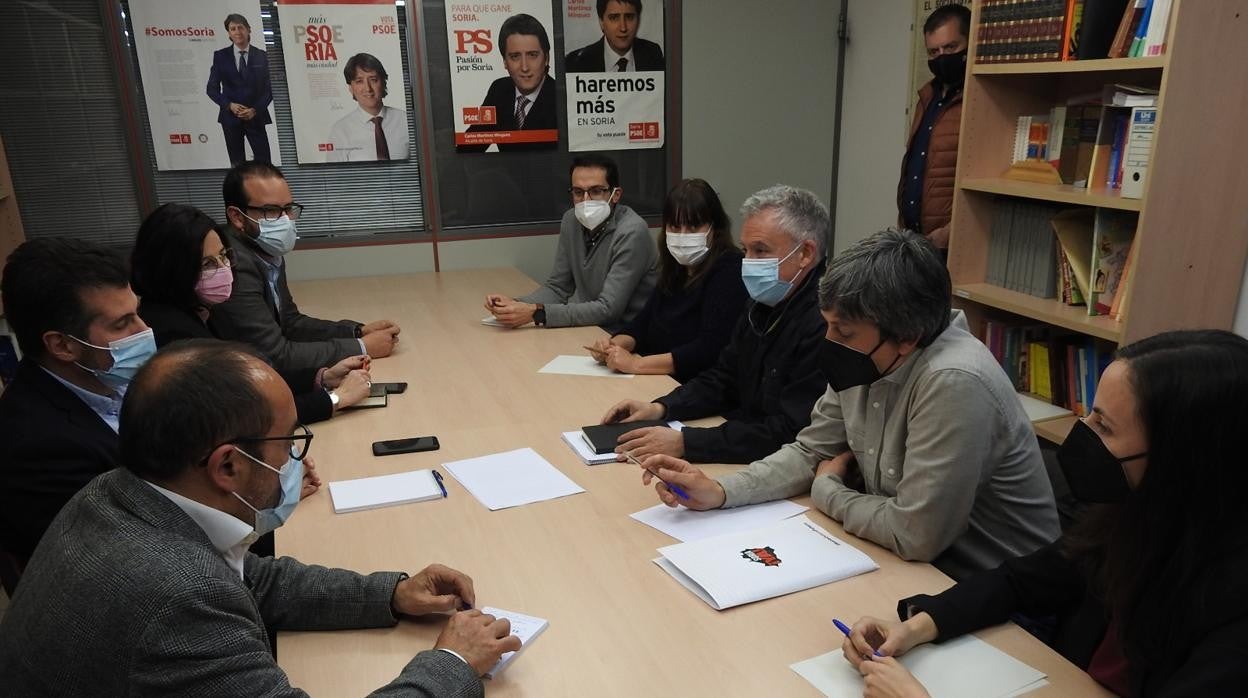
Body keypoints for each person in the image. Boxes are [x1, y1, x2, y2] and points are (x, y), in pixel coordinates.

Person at [0, 340, 521, 694]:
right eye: (290, 441)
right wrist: (452, 664)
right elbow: (206, 591)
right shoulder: (176, 596)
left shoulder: (118, 493)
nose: (299, 457)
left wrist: (389, 593)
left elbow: (247, 581)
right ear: (227, 464)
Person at [840, 330, 1248, 698]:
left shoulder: (1232, 605)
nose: (1083, 431)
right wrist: (915, 627)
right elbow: (1020, 581)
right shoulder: (1137, 515)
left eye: (1104, 426)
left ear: (1180, 459)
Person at [639, 229, 1058, 580]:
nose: (830, 343)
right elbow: (811, 451)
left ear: (907, 337)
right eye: (829, 326)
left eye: (844, 331)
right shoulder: (869, 355)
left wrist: (828, 491)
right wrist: (719, 491)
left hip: (993, 590)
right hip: (904, 563)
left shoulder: (954, 383)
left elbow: (916, 533)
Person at [599, 184, 828, 465]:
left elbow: (790, 431)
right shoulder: (763, 303)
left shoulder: (827, 322)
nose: (748, 262)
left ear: (805, 253)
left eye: (760, 250)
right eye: (746, 250)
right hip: (737, 445)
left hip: (779, 467)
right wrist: (660, 407)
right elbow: (723, 378)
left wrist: (687, 442)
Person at [131, 203, 373, 423]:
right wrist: (336, 399)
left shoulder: (202, 309)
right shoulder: (172, 334)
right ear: (171, 270)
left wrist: (323, 377)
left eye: (224, 256)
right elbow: (242, 413)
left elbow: (249, 381)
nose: (224, 270)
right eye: (207, 264)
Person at [0, 238, 153, 564]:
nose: (144, 330)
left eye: (137, 314)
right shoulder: (37, 448)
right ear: (62, 345)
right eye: (122, 323)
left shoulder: (112, 380)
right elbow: (129, 561)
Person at [209, 161, 401, 375]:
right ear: (237, 216)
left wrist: (356, 331)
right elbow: (275, 356)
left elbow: (290, 322)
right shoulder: (232, 264)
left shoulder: (264, 251)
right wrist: (363, 347)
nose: (285, 220)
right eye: (271, 211)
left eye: (288, 209)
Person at [586, 178, 745, 383]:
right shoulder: (676, 267)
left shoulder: (731, 270)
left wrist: (636, 364)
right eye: (675, 227)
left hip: (696, 387)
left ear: (714, 228)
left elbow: (709, 349)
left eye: (693, 227)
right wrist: (614, 346)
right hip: (657, 379)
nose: (682, 236)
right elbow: (643, 324)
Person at [484, 154, 656, 333]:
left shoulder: (632, 231)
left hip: (632, 338)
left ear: (615, 195)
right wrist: (514, 305)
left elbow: (608, 309)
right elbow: (558, 288)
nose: (586, 201)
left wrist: (536, 314)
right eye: (578, 192)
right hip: (593, 330)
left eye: (596, 191)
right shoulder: (570, 220)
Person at [897, 3, 969, 249]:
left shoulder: (978, 100)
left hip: (952, 244)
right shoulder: (927, 97)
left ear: (969, 44)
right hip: (914, 240)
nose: (942, 58)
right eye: (933, 52)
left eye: (950, 47)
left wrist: (950, 232)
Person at [460, 13, 558, 153]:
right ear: (505, 62)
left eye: (532, 55)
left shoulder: (560, 97)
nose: (524, 67)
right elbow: (470, 145)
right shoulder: (499, 89)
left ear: (546, 58)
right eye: (515, 56)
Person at [206, 13, 273, 164]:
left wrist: (254, 110)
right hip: (230, 118)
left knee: (265, 164)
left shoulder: (262, 56)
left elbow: (270, 89)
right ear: (229, 33)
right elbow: (211, 89)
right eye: (233, 29)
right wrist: (229, 105)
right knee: (237, 165)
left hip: (255, 116)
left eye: (240, 27)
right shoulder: (220, 56)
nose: (237, 32)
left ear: (248, 30)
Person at [327, 53, 409, 162]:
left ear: (383, 83)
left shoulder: (406, 121)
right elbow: (335, 176)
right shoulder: (340, 131)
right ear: (351, 88)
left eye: (373, 79)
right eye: (359, 81)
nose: (368, 88)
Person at [565, 0, 665, 73]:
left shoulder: (653, 53)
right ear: (601, 22)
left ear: (638, 20)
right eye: (614, 18)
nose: (623, 28)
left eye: (629, 17)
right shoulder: (576, 62)